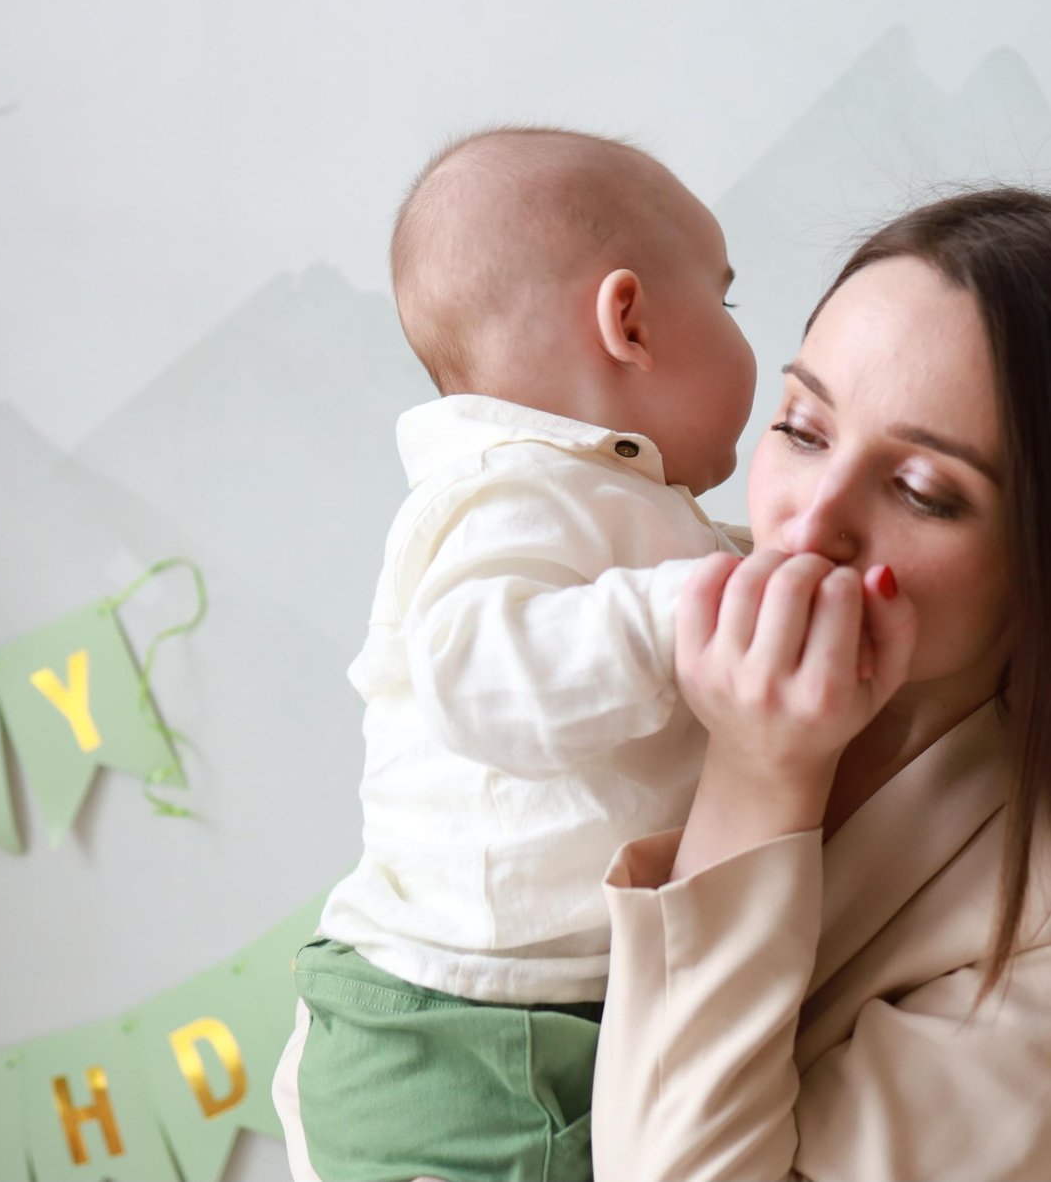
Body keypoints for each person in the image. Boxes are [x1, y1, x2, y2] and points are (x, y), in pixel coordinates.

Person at [590, 187, 1051, 1180]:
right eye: (802, 429)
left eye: (924, 491)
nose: (810, 524)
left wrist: (760, 778)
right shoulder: (649, 606)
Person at [272, 126, 760, 1182]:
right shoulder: (506, 492)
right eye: (730, 301)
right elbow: (481, 675)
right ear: (630, 322)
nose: (744, 337)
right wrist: (704, 603)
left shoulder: (616, 500)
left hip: (518, 1013)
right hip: (461, 1031)